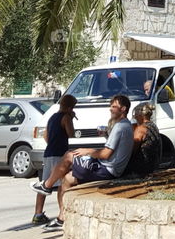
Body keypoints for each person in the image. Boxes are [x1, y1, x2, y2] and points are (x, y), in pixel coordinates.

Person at [32, 94, 134, 228]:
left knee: (69, 156)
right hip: (107, 167)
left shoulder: (120, 127)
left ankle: (46, 186)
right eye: (111, 106)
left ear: (123, 109)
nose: (110, 109)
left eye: (114, 107)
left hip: (107, 168)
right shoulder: (124, 125)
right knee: (67, 179)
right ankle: (62, 218)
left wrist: (88, 151)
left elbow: (105, 154)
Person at [32, 94, 77, 228]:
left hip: (48, 152)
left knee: (45, 184)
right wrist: (71, 118)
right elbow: (71, 133)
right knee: (62, 184)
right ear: (69, 107)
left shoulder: (52, 117)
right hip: (59, 154)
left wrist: (52, 142)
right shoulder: (66, 117)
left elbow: (45, 135)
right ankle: (62, 214)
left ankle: (38, 214)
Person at [127, 103, 162, 178]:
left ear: (140, 115)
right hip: (153, 165)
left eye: (135, 115)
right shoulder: (153, 126)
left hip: (142, 167)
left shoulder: (141, 129)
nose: (135, 117)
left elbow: (132, 149)